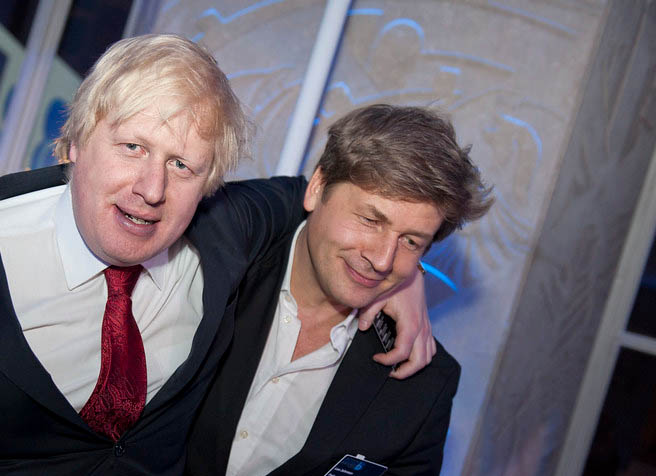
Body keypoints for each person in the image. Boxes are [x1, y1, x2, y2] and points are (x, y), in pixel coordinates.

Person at [0, 35, 433, 475]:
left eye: (183, 164)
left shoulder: (225, 233)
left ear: (210, 182)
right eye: (132, 147)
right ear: (74, 141)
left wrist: (396, 274)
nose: (152, 188)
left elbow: (316, 200)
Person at [186, 104, 494, 476]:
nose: (383, 259)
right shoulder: (219, 265)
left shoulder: (424, 388)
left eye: (411, 241)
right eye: (370, 219)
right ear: (317, 188)